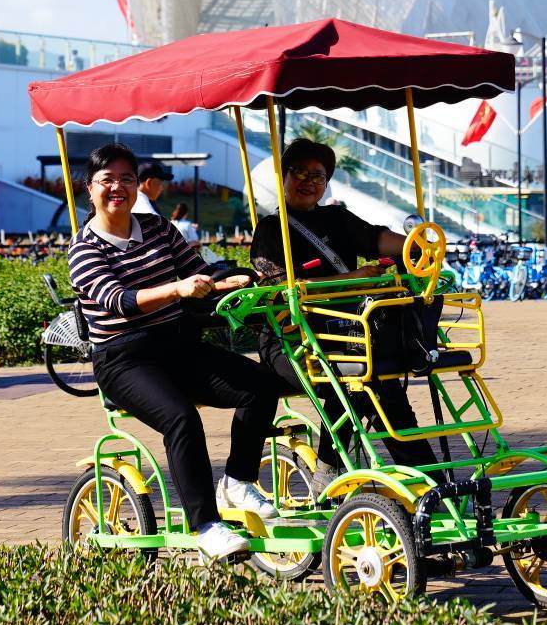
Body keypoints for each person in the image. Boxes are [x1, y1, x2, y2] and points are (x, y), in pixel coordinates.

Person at [68, 142, 286, 562]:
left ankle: (237, 481)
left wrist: (231, 281)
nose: (118, 188)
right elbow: (120, 300)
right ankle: (206, 525)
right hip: (123, 359)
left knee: (261, 386)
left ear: (138, 186)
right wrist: (176, 289)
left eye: (126, 179)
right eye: (107, 180)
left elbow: (196, 273)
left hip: (177, 345)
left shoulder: (157, 228)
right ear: (89, 189)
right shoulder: (83, 248)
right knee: (181, 418)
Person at [248, 138, 438, 470]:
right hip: (292, 341)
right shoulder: (269, 229)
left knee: (383, 388)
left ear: (326, 183)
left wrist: (419, 243)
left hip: (349, 335)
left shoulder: (336, 217)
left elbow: (377, 237)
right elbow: (281, 289)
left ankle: (426, 481)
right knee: (358, 385)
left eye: (318, 176)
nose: (308, 182)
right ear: (284, 177)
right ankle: (332, 472)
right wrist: (356, 278)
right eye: (299, 173)